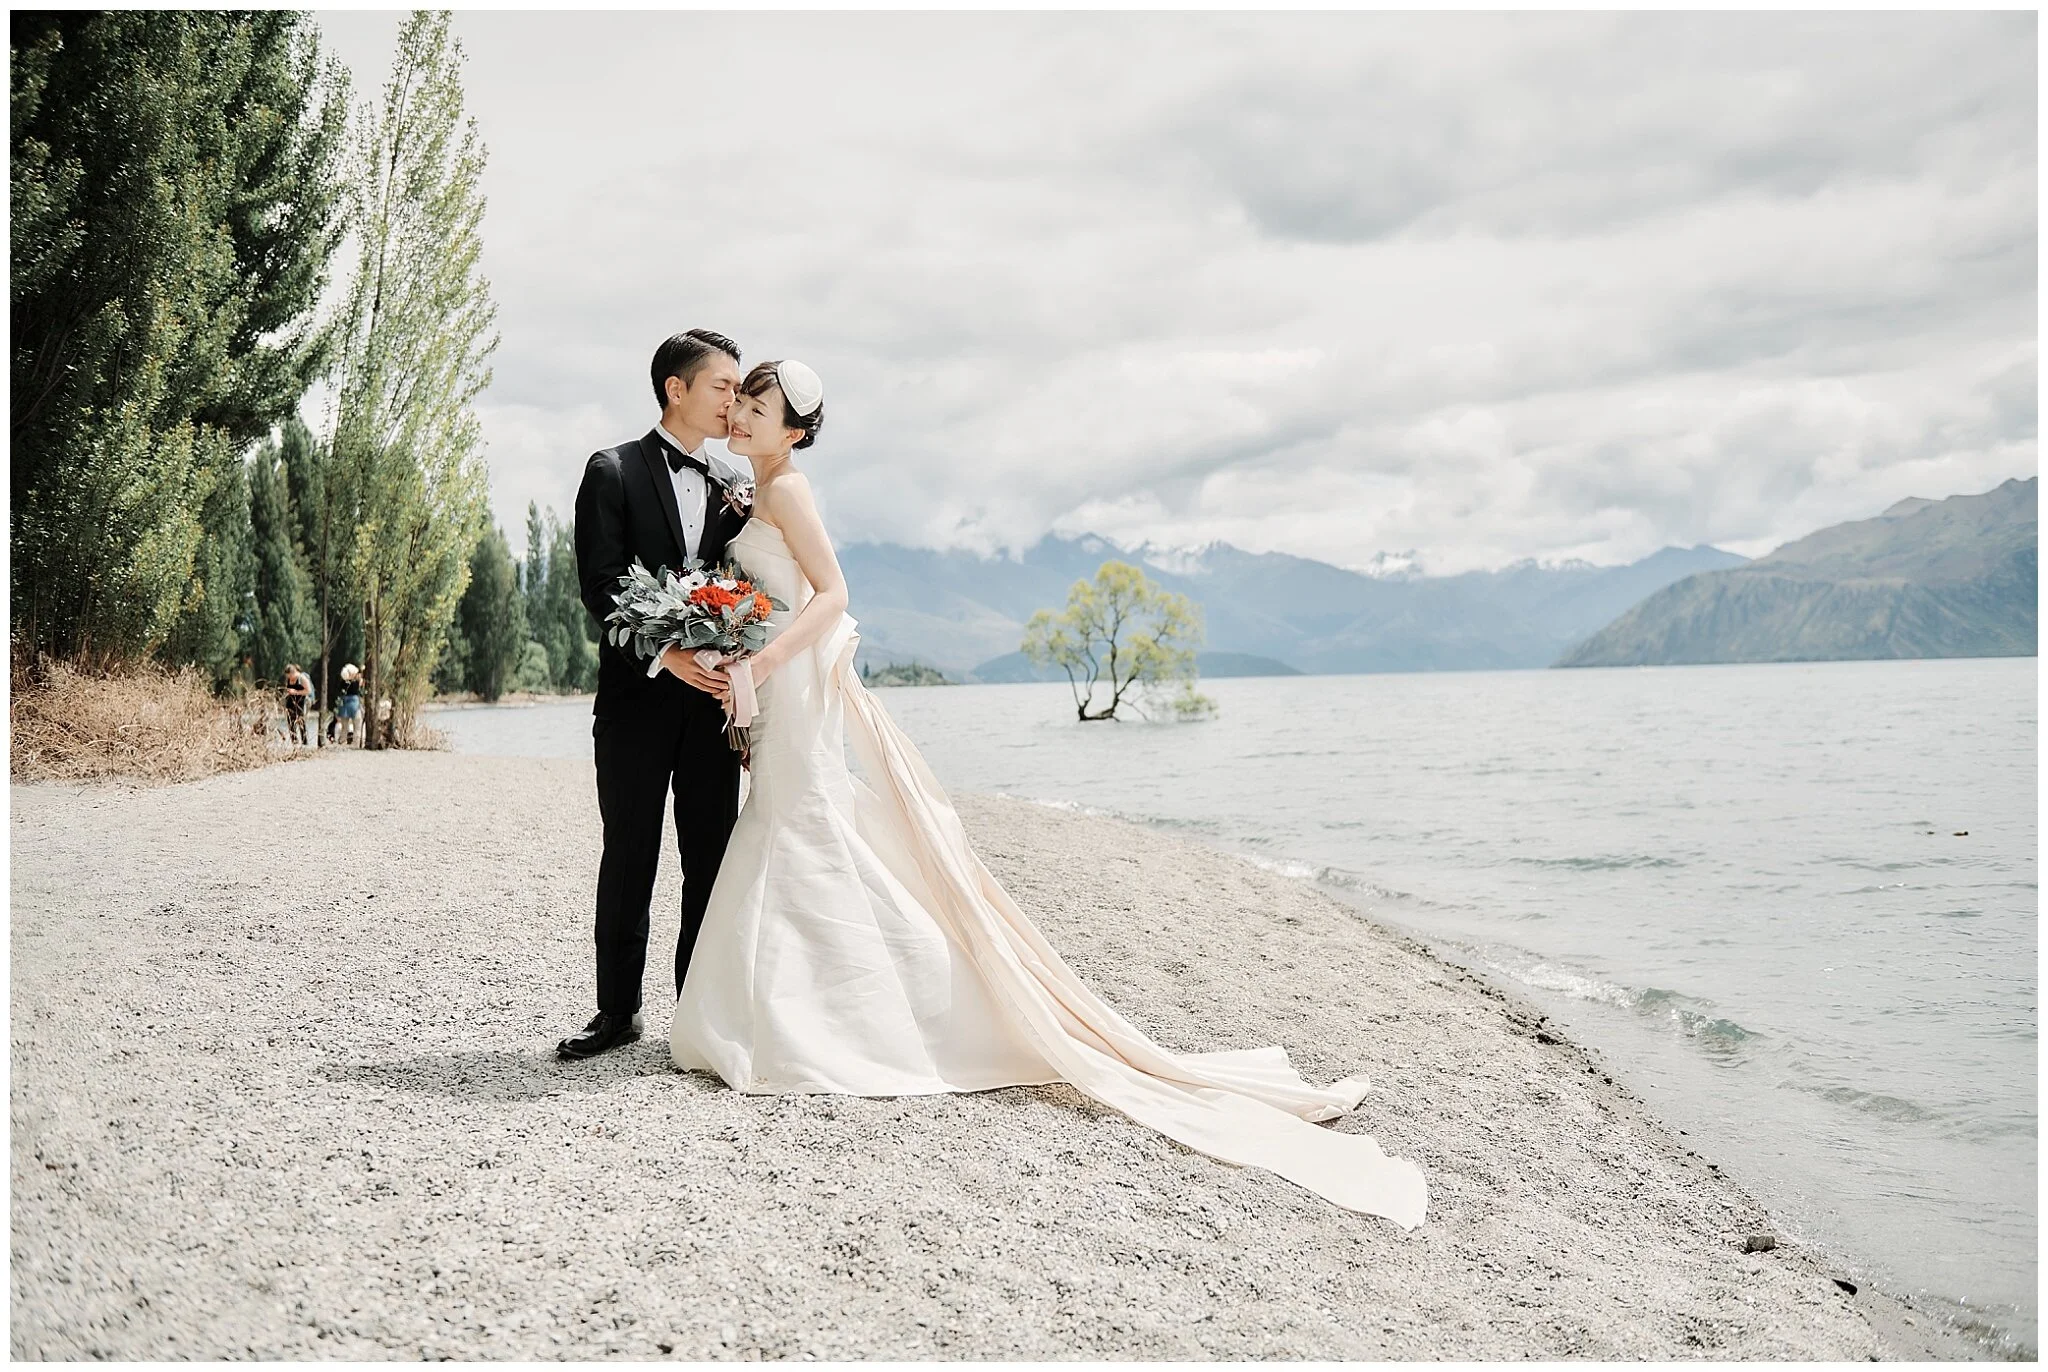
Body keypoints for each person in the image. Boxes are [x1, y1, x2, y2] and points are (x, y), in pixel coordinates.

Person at [584, 352, 1427, 1228]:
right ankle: (753, 1015)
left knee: (796, 836)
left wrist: (760, 658)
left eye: (760, 401)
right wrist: (732, 651)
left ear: (795, 430)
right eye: (741, 396)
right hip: (767, 698)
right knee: (783, 836)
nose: (745, 409)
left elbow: (833, 596)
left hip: (784, 686)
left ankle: (810, 1021)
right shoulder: (743, 490)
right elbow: (737, 588)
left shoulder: (786, 490)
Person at [561, 330, 752, 1061]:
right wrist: (668, 653)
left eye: (738, 390)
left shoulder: (738, 486)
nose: (733, 399)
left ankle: (694, 1016)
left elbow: (749, 586)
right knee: (630, 854)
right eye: (722, 386)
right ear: (676, 388)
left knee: (709, 859)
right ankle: (617, 1013)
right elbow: (600, 585)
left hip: (712, 708)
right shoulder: (611, 471)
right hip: (636, 703)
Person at [333, 664, 363, 746]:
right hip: (354, 704)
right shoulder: (356, 682)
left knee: (344, 726)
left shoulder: (342, 683)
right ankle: (356, 743)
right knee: (357, 725)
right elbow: (360, 681)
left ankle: (342, 741)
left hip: (344, 704)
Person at [282, 664, 311, 746]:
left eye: (290, 676)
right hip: (290, 702)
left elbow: (308, 691)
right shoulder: (288, 679)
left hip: (300, 702)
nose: (289, 678)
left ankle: (305, 743)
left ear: (293, 673)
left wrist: (295, 692)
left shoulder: (302, 678)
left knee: (301, 722)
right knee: (290, 722)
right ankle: (294, 742)